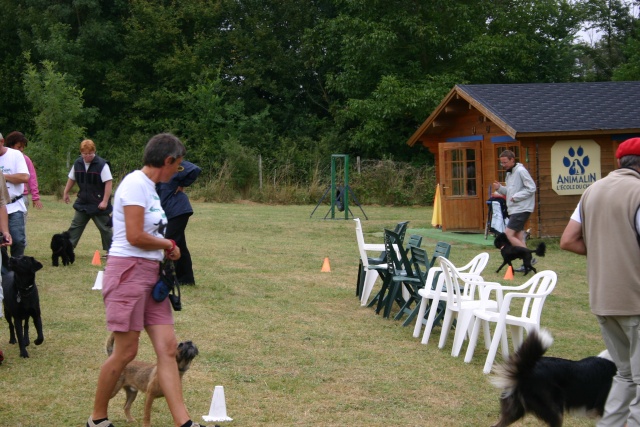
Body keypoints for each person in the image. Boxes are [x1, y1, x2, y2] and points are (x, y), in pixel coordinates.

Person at [86, 133, 210, 427]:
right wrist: (167, 244)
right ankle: (97, 419)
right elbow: (134, 236)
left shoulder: (153, 189)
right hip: (128, 273)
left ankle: (185, 423)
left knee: (168, 349)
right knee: (126, 351)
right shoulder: (134, 184)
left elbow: (149, 234)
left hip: (151, 275)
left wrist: (167, 249)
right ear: (167, 161)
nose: (177, 172)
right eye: (177, 166)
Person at [560, 137, 640, 426]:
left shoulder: (591, 191)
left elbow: (568, 240)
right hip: (635, 300)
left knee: (625, 374)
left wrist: (608, 255)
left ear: (619, 162)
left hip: (603, 300)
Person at [63, 139, 113, 254]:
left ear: (94, 152)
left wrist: (105, 201)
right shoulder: (77, 163)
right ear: (81, 153)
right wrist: (66, 192)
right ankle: (68, 249)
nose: (88, 156)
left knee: (105, 228)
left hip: (98, 203)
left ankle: (112, 252)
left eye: (90, 154)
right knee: (75, 227)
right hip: (83, 202)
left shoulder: (102, 164)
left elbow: (109, 182)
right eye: (85, 154)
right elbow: (72, 178)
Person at [156, 160, 201, 285]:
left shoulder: (172, 164)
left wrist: (182, 183)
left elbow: (194, 169)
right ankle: (186, 279)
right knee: (180, 244)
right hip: (170, 211)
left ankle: (166, 279)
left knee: (169, 242)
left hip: (178, 210)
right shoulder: (155, 171)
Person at [492, 150, 536, 270]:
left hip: (521, 208)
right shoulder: (509, 174)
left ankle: (529, 258)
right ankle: (525, 264)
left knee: (508, 235)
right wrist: (500, 188)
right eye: (501, 163)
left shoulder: (521, 171)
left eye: (505, 162)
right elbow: (510, 192)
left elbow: (532, 188)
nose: (503, 165)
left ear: (512, 160)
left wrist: (516, 197)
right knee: (519, 236)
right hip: (514, 209)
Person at [0, 132, 30, 257]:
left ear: (1, 142)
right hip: (0, 206)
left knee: (18, 239)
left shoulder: (15, 155)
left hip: (14, 204)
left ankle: (18, 267)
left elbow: (24, 177)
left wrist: (2, 177)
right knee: (2, 242)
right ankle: (5, 271)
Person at [4, 131, 43, 210]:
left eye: (23, 147)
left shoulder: (25, 159)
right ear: (11, 145)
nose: (21, 149)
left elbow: (32, 178)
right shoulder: (3, 158)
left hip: (22, 196)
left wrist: (35, 196)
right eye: (19, 147)